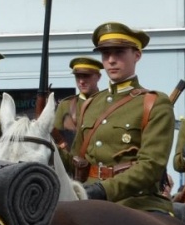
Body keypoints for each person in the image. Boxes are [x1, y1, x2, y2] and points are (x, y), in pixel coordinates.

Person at [70, 24, 174, 214]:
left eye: (119, 53)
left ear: (137, 55)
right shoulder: (90, 104)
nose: (111, 60)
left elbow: (151, 166)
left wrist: (103, 190)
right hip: (88, 198)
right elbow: (75, 159)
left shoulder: (153, 103)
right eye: (105, 54)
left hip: (136, 202)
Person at [52, 56, 104, 150]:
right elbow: (56, 137)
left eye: (86, 76)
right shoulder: (65, 105)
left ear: (98, 77)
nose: (81, 81)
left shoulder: (107, 103)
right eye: (78, 76)